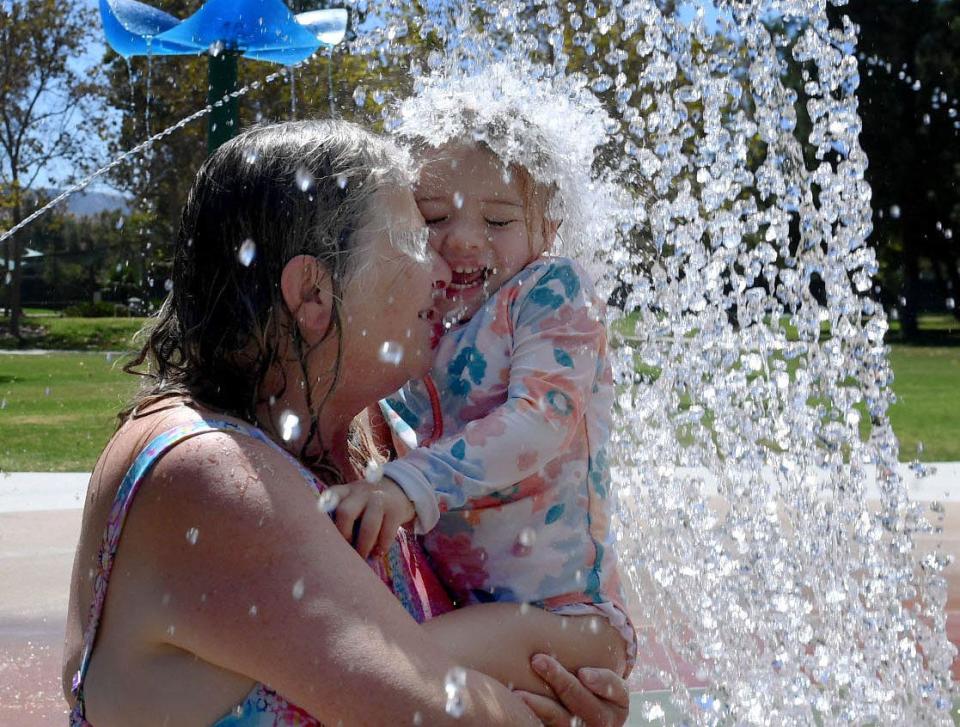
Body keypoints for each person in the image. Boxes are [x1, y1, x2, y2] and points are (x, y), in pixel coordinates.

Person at [61, 120, 630, 726]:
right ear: (313, 293)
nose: (443, 270)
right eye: (419, 237)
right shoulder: (214, 477)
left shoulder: (374, 447)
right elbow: (443, 715)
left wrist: (565, 693)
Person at [327, 70, 635, 694]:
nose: (464, 238)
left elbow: (537, 420)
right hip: (469, 606)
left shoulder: (549, 291)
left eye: (498, 221)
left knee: (389, 665)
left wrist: (406, 486)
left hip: (566, 616)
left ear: (546, 230)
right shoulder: (425, 313)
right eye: (435, 217)